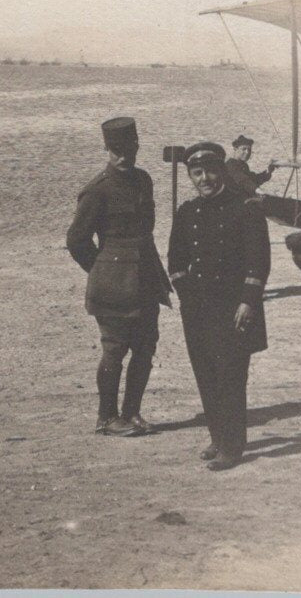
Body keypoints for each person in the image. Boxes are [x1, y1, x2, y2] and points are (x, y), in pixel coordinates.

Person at [66, 116, 172, 437]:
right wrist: (103, 269)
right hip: (114, 285)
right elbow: (76, 241)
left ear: (138, 146)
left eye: (129, 148)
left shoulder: (144, 181)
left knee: (146, 345)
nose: (123, 156)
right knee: (115, 348)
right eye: (116, 150)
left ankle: (132, 412)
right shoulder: (96, 191)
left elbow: (147, 229)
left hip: (146, 277)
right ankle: (106, 418)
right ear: (106, 149)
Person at [168, 142, 271, 471]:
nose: (205, 178)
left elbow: (259, 263)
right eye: (197, 173)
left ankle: (233, 445)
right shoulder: (187, 213)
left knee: (230, 375)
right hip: (197, 308)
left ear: (221, 171)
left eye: (210, 171)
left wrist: (248, 302)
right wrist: (189, 296)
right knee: (206, 372)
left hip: (233, 307)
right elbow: (176, 263)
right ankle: (217, 435)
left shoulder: (246, 208)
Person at [224, 135, 275, 199]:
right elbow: (243, 180)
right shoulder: (230, 165)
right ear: (235, 149)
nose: (247, 152)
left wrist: (268, 172)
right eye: (244, 149)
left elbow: (253, 180)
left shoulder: (244, 166)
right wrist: (258, 190)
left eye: (249, 150)